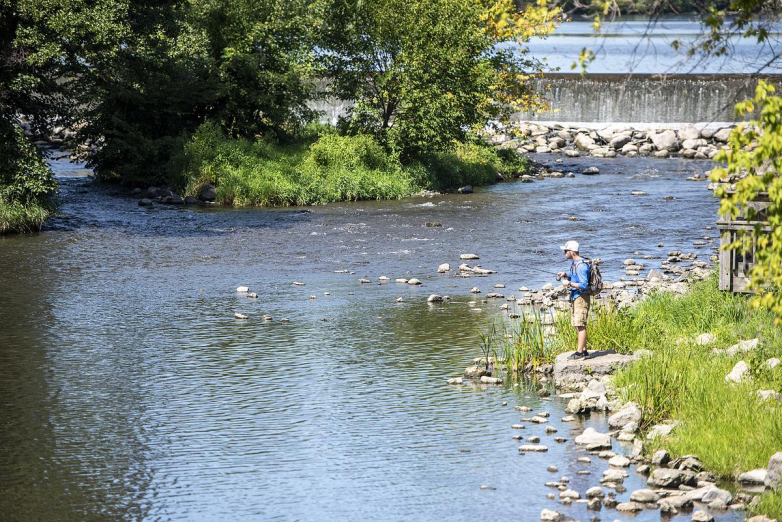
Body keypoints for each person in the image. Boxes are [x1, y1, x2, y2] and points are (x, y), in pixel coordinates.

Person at [556, 240, 591, 359]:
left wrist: (568, 283)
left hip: (581, 297)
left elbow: (584, 285)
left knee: (580, 324)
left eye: (565, 251)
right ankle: (584, 350)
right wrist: (566, 274)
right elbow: (576, 277)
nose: (564, 253)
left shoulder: (581, 266)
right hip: (575, 296)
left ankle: (580, 352)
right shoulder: (575, 263)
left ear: (571, 252)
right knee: (577, 324)